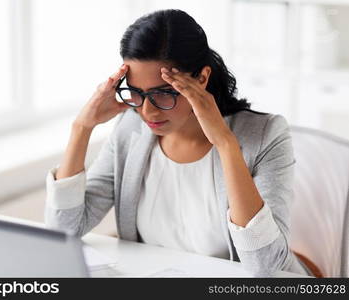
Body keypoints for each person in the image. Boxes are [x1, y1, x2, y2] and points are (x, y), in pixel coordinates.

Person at [45, 9, 314, 277]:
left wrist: (225, 144)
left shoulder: (265, 134)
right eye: (136, 93)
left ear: (201, 79)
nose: (147, 112)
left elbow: (265, 266)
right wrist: (82, 128)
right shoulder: (131, 129)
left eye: (163, 93)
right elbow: (64, 230)